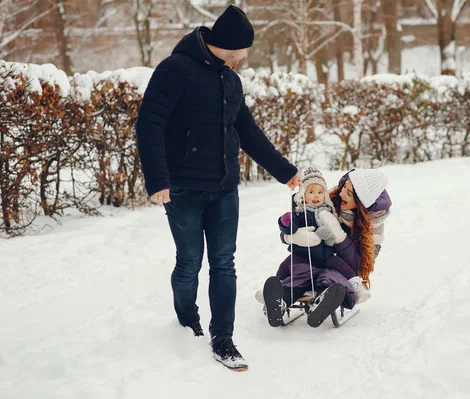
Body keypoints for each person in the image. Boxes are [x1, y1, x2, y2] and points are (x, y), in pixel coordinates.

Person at [135, 4, 301, 370]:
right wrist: (158, 180)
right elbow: (149, 124)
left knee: (224, 263)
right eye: (244, 51)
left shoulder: (230, 79)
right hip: (182, 188)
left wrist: (285, 171)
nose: (244, 58)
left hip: (225, 187)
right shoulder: (174, 70)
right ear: (229, 45)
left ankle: (223, 338)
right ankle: (186, 319)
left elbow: (249, 133)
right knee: (190, 262)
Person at [260, 168, 392, 328]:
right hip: (311, 259)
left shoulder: (374, 227)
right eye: (344, 187)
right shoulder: (326, 199)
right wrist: (292, 236)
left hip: (339, 266)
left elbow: (358, 264)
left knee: (331, 280)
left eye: (349, 194)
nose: (342, 193)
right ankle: (279, 301)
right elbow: (296, 221)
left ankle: (320, 303)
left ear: (361, 204)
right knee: (299, 274)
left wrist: (339, 236)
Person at [257, 166, 371, 304]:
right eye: (311, 192)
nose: (316, 195)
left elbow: (339, 234)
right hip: (303, 255)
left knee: (342, 266)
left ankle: (355, 286)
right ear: (303, 194)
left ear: (325, 195)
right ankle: (277, 294)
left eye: (320, 192)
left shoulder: (330, 212)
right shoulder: (300, 212)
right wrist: (286, 223)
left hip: (326, 255)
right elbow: (290, 227)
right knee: (292, 270)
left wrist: (331, 234)